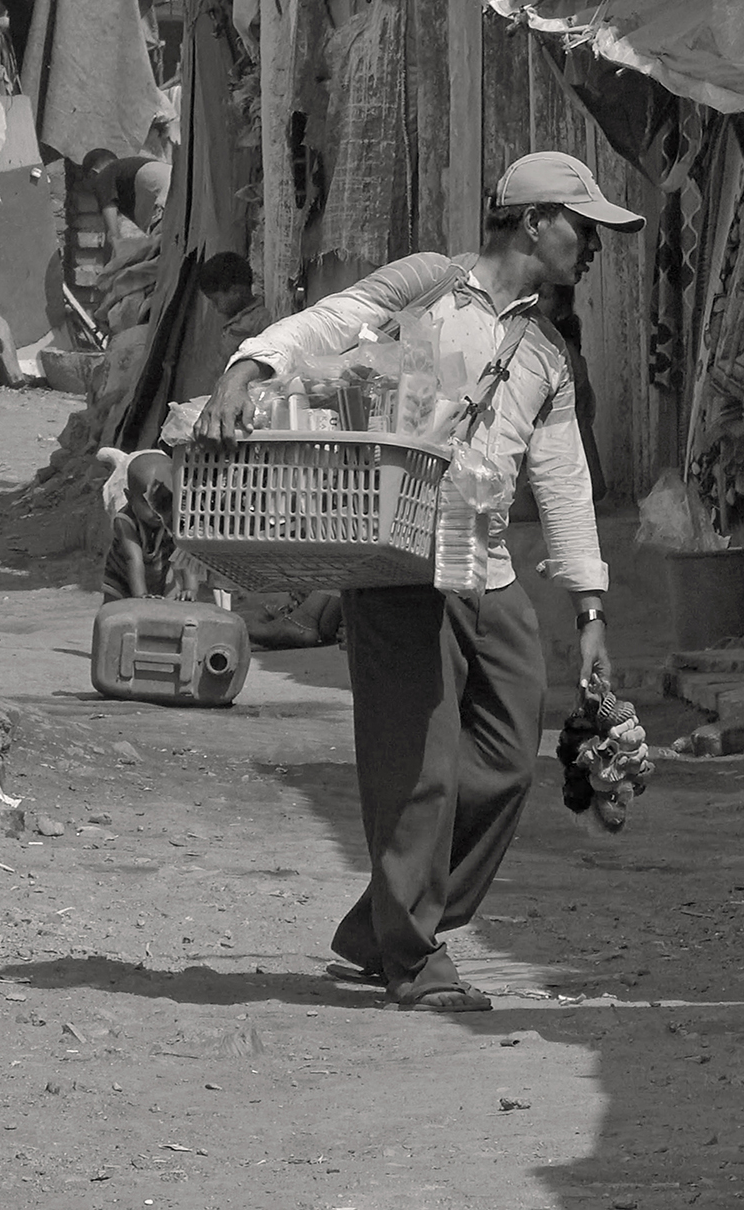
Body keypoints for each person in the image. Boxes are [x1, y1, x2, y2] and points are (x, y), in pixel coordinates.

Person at [195, 150, 640, 1011]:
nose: (593, 247)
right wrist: (248, 367)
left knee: (509, 760)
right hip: (397, 552)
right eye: (584, 229)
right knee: (418, 768)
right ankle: (412, 955)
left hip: (489, 565)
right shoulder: (430, 283)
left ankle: (384, 921)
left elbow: (564, 479)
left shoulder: (545, 353)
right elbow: (332, 322)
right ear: (534, 221)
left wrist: (589, 606)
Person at [101, 449, 178, 603]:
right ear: (129, 498)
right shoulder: (124, 522)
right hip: (121, 581)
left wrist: (190, 589)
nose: (158, 510)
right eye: (149, 502)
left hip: (159, 580)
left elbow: (184, 556)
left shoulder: (174, 518)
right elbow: (132, 559)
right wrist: (140, 597)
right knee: (116, 616)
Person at [82, 147, 172, 240]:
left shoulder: (104, 175)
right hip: (180, 186)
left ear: (92, 173)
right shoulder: (130, 168)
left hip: (165, 200)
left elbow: (113, 234)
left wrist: (116, 250)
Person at [195, 252, 272, 350]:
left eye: (216, 301)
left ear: (235, 292)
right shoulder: (236, 319)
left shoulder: (259, 322)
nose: (214, 307)